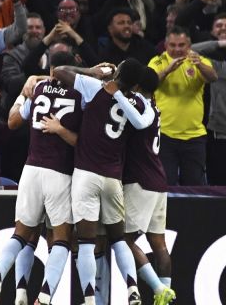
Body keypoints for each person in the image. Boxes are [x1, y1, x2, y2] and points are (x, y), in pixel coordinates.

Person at [0, 51, 82, 305]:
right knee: (61, 239)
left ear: (50, 69)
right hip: (60, 172)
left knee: (21, 234)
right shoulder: (80, 94)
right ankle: (45, 297)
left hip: (30, 170)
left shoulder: (38, 88)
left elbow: (13, 121)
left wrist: (23, 92)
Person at [53, 58, 151, 305]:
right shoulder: (137, 102)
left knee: (86, 242)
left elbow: (60, 70)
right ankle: (132, 288)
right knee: (119, 239)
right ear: (136, 84)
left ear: (116, 71)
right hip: (113, 177)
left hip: (86, 174)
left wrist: (92, 71)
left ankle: (88, 298)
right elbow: (143, 120)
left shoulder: (94, 86)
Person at [121, 67, 176, 305]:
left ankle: (158, 289)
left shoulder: (138, 106)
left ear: (135, 86)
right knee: (159, 244)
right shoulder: (154, 106)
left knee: (123, 240)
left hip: (140, 182)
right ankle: (166, 295)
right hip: (158, 181)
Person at [148, 26, 217, 185]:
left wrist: (200, 65)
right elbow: (148, 83)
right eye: (173, 45)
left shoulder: (197, 60)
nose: (177, 49)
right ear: (166, 45)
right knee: (166, 186)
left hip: (194, 136)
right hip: (165, 135)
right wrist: (167, 70)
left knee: (194, 188)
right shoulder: (157, 61)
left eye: (181, 45)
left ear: (189, 46)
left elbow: (213, 77)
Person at [191, 39, 226, 185]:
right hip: (219, 133)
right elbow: (192, 51)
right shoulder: (219, 67)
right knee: (217, 185)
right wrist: (219, 43)